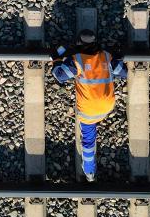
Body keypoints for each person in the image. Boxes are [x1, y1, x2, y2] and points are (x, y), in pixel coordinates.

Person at [50, 30, 126, 181]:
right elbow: (123, 72)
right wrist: (118, 56)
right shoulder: (106, 56)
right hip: (107, 105)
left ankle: (89, 172)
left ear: (79, 43)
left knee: (88, 140)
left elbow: (59, 75)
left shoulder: (77, 60)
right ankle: (89, 170)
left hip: (89, 110)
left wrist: (57, 59)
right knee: (90, 130)